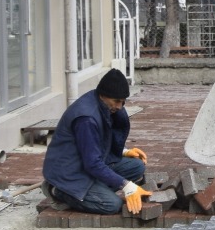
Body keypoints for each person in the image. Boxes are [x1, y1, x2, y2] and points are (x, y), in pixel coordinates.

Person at [42, 68, 149, 215]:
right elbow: (92, 163)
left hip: (86, 165)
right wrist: (126, 186)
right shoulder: (86, 119)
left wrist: (124, 151)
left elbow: (101, 138)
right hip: (69, 173)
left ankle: (95, 190)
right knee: (112, 204)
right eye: (116, 101)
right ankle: (59, 192)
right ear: (103, 95)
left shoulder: (105, 106)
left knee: (136, 167)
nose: (119, 106)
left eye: (123, 101)